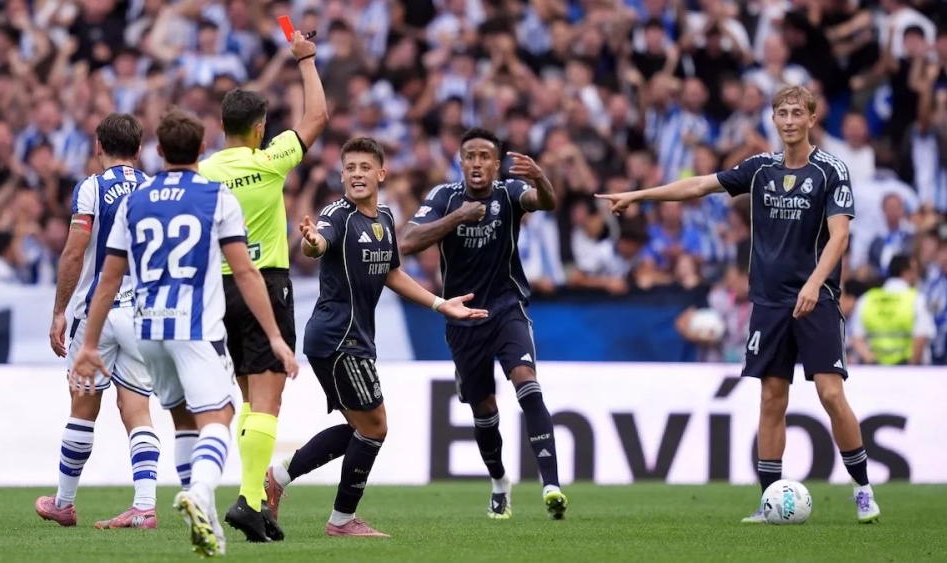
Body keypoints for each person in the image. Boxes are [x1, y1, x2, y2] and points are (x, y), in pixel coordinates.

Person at [596, 85, 881, 524]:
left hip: (815, 297)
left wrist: (814, 283)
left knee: (829, 393)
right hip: (768, 301)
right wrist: (640, 196)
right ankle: (770, 501)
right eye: (781, 113)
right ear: (773, 119)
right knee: (772, 397)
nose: (788, 120)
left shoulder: (830, 171)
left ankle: (863, 490)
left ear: (810, 118)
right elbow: (700, 185)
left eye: (796, 113)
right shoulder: (760, 168)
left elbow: (839, 235)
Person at [69, 108, 299, 557]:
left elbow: (108, 279)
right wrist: (274, 336)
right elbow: (248, 274)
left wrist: (90, 343)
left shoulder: (137, 200)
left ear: (157, 151)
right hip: (195, 326)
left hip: (148, 326)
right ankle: (200, 495)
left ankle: (208, 522)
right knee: (224, 415)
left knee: (183, 422)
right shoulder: (216, 197)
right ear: (200, 150)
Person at [262, 137, 488, 536]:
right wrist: (312, 242)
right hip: (337, 337)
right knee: (375, 427)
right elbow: (319, 243)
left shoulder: (383, 218)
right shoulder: (338, 213)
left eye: (365, 167)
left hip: (353, 338)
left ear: (381, 174)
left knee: (359, 426)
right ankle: (342, 520)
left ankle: (278, 477)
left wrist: (441, 304)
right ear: (342, 175)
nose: (356, 174)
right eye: (349, 168)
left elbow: (392, 273)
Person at [197, 29, 327, 543]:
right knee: (269, 399)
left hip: (216, 289)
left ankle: (251, 500)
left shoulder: (204, 172)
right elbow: (317, 118)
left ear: (219, 126)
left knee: (250, 396)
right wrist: (308, 60)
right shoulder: (268, 161)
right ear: (259, 128)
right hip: (266, 286)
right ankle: (251, 500)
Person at [398, 127, 568, 520]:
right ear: (461, 163)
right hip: (462, 316)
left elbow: (546, 201)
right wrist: (457, 217)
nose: (477, 163)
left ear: (496, 163)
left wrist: (540, 177)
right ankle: (499, 481)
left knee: (526, 381)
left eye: (485, 157)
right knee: (484, 410)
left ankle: (552, 485)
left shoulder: (509, 194)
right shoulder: (445, 197)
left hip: (507, 308)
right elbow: (406, 241)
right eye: (470, 156)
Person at [37, 113, 169, 529]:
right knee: (137, 409)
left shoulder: (92, 188)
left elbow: (75, 252)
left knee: (83, 407)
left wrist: (60, 310)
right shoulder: (155, 189)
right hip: (142, 313)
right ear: (138, 147)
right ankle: (145, 506)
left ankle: (64, 502)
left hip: (96, 311)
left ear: (99, 147)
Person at [850, 254, 936, 365]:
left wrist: (873, 361)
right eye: (915, 270)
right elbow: (921, 338)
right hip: (908, 369)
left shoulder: (867, 299)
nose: (917, 275)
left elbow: (856, 338)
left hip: (876, 371)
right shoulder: (917, 299)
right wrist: (911, 368)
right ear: (906, 272)